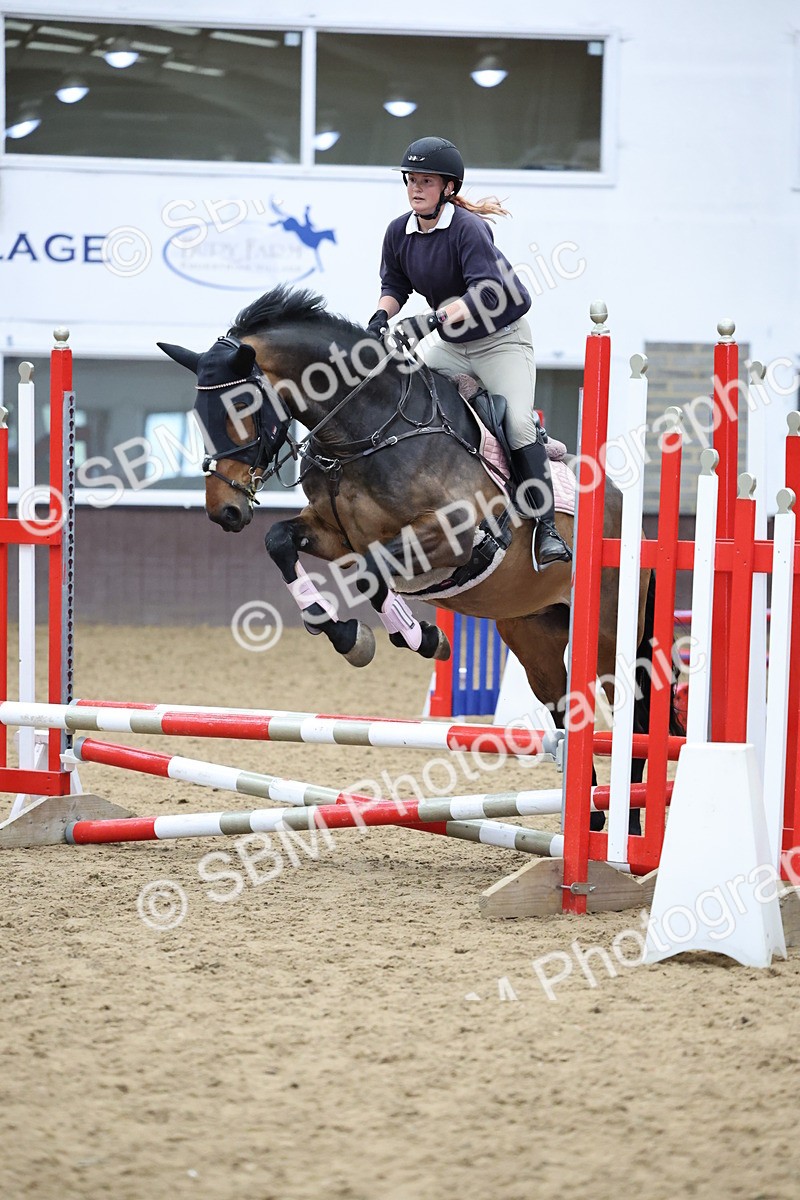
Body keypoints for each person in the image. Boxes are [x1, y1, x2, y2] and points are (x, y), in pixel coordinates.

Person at [366, 135, 571, 569]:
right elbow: (395, 286)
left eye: (426, 181)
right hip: (453, 344)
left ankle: (547, 527)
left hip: (502, 341)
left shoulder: (468, 228)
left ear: (447, 188)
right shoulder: (398, 232)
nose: (416, 188)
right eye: (411, 180)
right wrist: (380, 317)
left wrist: (434, 319)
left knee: (516, 423)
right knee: (400, 389)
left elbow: (484, 293)